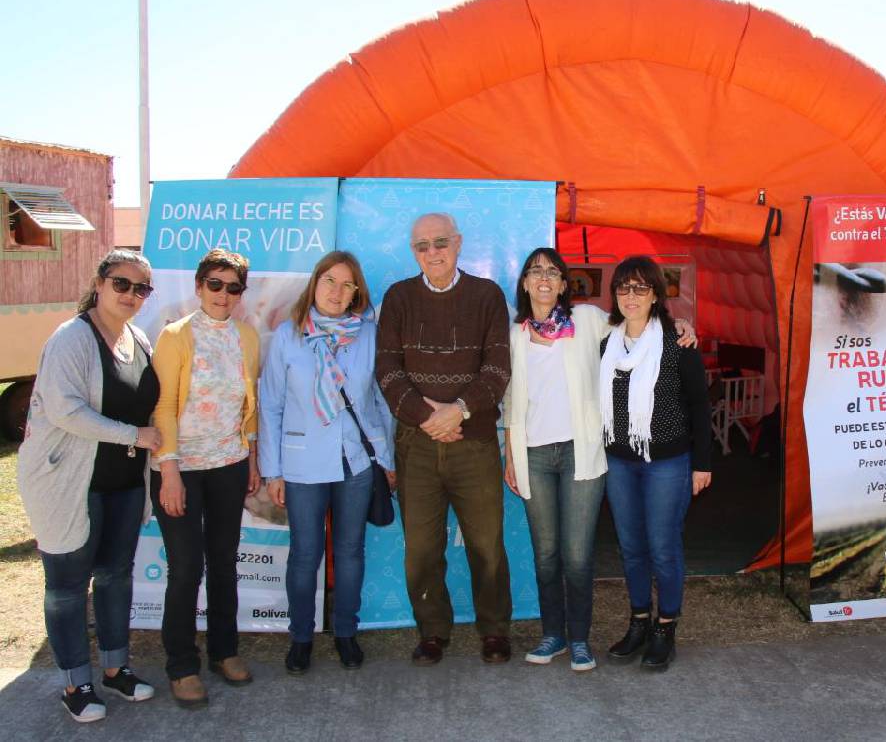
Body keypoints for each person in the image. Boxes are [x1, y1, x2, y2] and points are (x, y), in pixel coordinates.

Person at [502, 247, 698, 672]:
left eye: (552, 272)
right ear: (524, 282)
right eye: (535, 271)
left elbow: (639, 324)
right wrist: (510, 454)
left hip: (582, 452)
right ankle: (552, 634)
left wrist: (679, 323)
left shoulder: (588, 321)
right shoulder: (512, 334)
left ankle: (579, 640)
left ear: (562, 283)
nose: (543, 278)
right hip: (533, 454)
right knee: (546, 554)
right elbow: (509, 400)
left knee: (576, 555)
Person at [17, 250, 162, 722]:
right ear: (100, 282)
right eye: (123, 284)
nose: (132, 295)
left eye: (142, 288)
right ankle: (76, 682)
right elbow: (65, 410)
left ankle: (116, 670)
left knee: (117, 576)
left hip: (123, 483)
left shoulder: (138, 338)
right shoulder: (72, 338)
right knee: (67, 586)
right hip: (68, 483)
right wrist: (133, 436)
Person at [375, 212, 513, 666]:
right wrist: (427, 417)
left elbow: (497, 369)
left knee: (487, 545)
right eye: (422, 246)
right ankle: (432, 630)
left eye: (440, 243)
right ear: (413, 251)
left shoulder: (487, 296)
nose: (432, 253)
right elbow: (388, 372)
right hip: (416, 447)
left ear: (457, 242)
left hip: (473, 443)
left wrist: (458, 411)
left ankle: (494, 631)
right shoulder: (397, 298)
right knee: (421, 549)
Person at [258, 251, 395, 675]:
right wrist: (272, 470)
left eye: (347, 284)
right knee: (305, 554)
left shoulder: (370, 335)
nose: (337, 292)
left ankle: (345, 633)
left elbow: (381, 402)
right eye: (329, 281)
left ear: (357, 292)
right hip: (301, 464)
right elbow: (271, 406)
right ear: (314, 284)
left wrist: (386, 459)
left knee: (351, 552)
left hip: (354, 462)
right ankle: (301, 637)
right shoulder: (288, 335)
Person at [150, 248, 261, 708]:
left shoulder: (248, 337)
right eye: (214, 284)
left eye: (233, 287)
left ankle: (223, 651)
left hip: (229, 466)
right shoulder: (175, 336)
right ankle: (181, 665)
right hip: (181, 469)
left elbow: (247, 404)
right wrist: (170, 472)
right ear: (199, 287)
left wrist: (250, 459)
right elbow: (163, 407)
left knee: (224, 562)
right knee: (185, 569)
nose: (223, 294)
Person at [600, 256, 712, 671]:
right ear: (615, 294)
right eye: (624, 288)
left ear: (655, 295)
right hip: (619, 462)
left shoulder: (678, 343)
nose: (631, 296)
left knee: (663, 548)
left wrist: (703, 464)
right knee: (630, 548)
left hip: (669, 462)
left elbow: (701, 406)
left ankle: (666, 627)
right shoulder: (604, 344)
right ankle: (639, 622)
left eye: (640, 288)